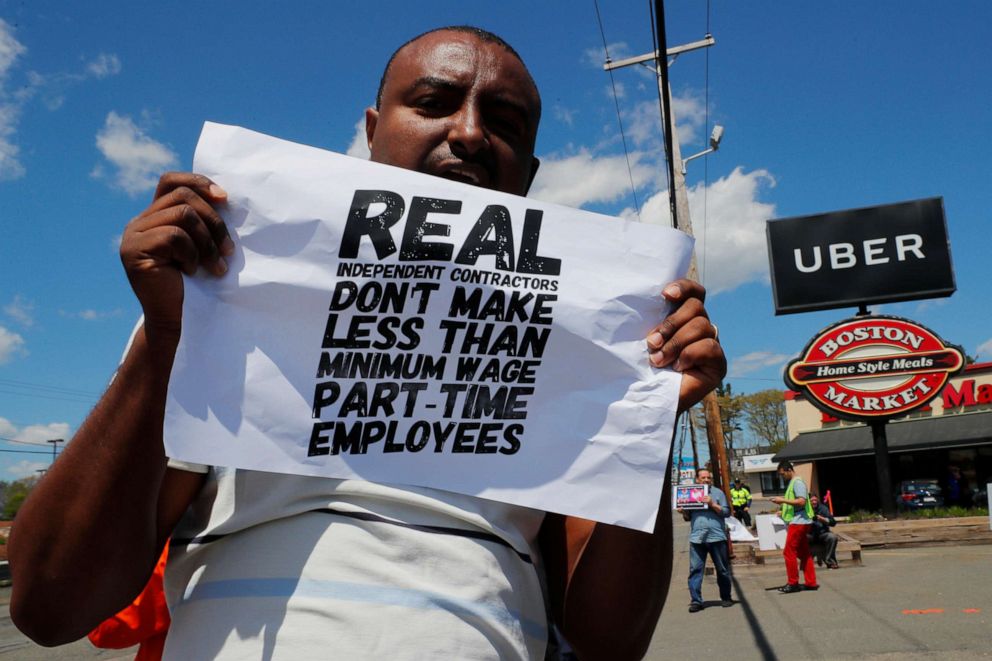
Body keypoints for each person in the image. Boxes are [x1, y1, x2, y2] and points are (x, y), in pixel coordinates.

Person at [8, 26, 726, 660]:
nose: (471, 133)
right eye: (435, 103)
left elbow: (610, 641)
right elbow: (49, 605)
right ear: (372, 132)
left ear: (528, 175)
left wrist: (650, 412)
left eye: (504, 122)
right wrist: (167, 337)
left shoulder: (579, 345)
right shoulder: (228, 289)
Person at [677, 469, 733, 612]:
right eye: (703, 478)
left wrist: (713, 504)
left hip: (717, 537)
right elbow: (688, 517)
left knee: (723, 570)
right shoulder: (691, 493)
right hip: (697, 538)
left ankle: (726, 597)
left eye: (708, 478)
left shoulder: (718, 493)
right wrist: (683, 510)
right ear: (697, 479)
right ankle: (696, 601)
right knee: (695, 570)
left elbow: (727, 512)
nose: (707, 480)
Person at [769, 460, 818, 593]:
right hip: (800, 521)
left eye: (782, 474)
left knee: (788, 552)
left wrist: (782, 500)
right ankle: (811, 582)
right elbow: (796, 504)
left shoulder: (797, 482)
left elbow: (801, 501)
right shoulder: (794, 482)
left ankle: (793, 583)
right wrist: (783, 510)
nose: (782, 477)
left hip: (799, 522)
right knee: (804, 553)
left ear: (789, 470)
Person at [808, 494, 838, 569]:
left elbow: (833, 522)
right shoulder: (805, 509)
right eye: (812, 501)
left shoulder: (823, 508)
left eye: (815, 500)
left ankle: (830, 561)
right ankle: (806, 562)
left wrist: (824, 520)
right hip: (810, 535)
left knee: (832, 537)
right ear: (808, 502)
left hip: (822, 533)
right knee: (800, 537)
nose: (814, 502)